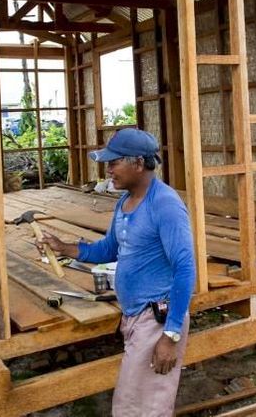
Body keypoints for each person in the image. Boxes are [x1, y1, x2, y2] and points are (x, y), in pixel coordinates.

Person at [38, 128, 196, 416]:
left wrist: (170, 336)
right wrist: (63, 247)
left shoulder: (165, 205)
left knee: (144, 407)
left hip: (157, 317)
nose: (107, 169)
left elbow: (185, 269)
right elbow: (109, 249)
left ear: (138, 163)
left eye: (114, 163)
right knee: (133, 403)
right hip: (135, 315)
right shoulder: (125, 202)